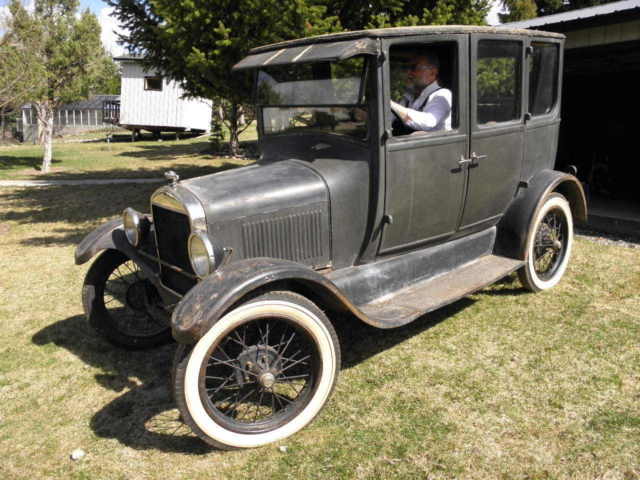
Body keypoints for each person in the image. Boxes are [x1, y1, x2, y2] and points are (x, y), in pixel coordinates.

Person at [390, 52, 452, 135]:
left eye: (414, 68)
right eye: (407, 68)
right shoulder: (409, 97)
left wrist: (390, 103)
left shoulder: (442, 94)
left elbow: (428, 122)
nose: (409, 73)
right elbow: (391, 117)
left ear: (432, 73)